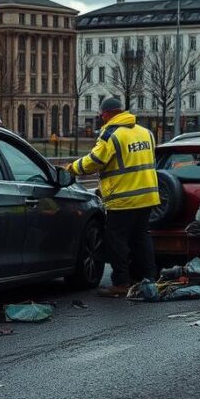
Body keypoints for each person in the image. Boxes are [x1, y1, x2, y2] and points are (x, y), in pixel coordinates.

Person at [67, 98, 160, 297]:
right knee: (141, 238)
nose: (101, 118)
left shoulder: (111, 134)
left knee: (117, 240)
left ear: (108, 113)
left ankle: (121, 282)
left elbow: (95, 161)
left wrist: (71, 169)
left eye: (102, 115)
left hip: (124, 197)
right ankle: (148, 278)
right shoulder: (146, 133)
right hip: (148, 196)